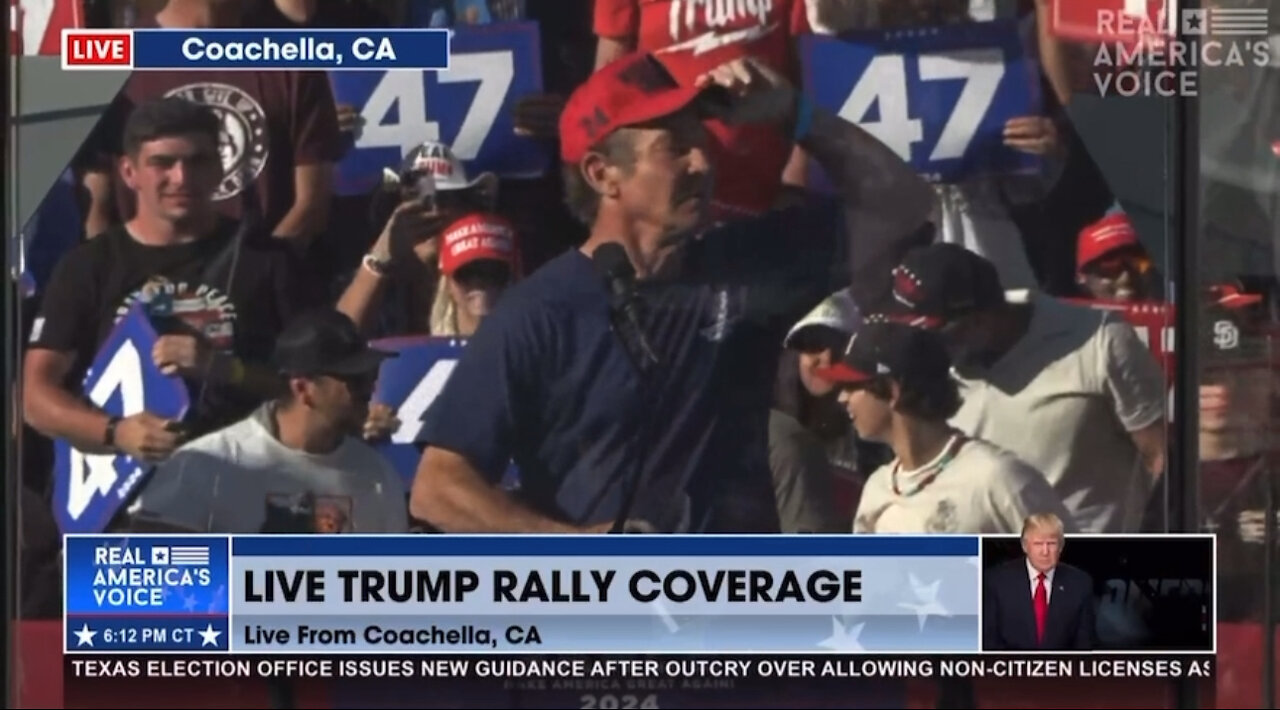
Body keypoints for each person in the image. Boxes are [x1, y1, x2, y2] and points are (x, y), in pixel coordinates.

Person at [410, 53, 934, 533]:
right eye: (674, 148)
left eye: (702, 145)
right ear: (602, 174)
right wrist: (569, 552)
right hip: (612, 626)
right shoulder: (539, 312)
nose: (702, 165)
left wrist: (797, 115)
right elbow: (438, 489)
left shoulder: (746, 261)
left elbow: (904, 205)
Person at [24, 97, 312, 462]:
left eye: (197, 161)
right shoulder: (88, 264)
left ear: (221, 168)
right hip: (126, 489)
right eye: (162, 163)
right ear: (129, 173)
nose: (181, 178)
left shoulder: (270, 259)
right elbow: (35, 395)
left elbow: (311, 387)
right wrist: (116, 431)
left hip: (246, 477)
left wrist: (227, 370)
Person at [887, 243, 1167, 533]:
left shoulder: (1100, 341)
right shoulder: (926, 367)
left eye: (931, 333)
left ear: (980, 319)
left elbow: (1161, 455)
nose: (918, 345)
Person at [77, 0, 342, 249]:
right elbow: (97, 208)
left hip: (265, 282)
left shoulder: (291, 60)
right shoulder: (114, 63)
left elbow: (310, 206)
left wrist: (253, 277)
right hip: (147, 287)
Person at [129, 310, 409, 533]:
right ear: (303, 389)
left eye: (372, 376)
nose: (370, 389)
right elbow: (157, 576)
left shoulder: (377, 475)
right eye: (356, 381)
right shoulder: (208, 462)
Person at [819, 320, 1072, 534]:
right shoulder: (877, 487)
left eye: (852, 386)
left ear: (893, 390)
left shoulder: (998, 479)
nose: (842, 398)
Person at [983, 512, 1096, 651]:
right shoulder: (996, 581)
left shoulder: (1080, 583)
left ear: (1061, 547)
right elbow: (989, 643)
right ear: (1025, 546)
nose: (1045, 551)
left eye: (1051, 544)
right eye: (1038, 544)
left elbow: (1084, 647)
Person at [1074, 212, 1158, 302]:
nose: (1126, 277)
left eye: (1136, 265)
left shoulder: (1169, 311)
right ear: (1081, 278)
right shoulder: (1063, 315)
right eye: (1111, 269)